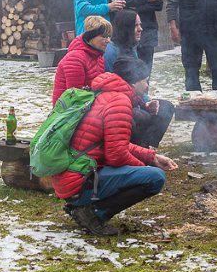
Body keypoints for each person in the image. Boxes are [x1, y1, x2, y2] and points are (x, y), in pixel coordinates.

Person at [54, 56, 179, 236]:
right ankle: (94, 213)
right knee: (154, 178)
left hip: (70, 176)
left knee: (148, 172)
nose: (147, 86)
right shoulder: (119, 102)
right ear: (134, 82)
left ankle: (81, 206)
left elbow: (113, 144)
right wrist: (143, 169)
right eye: (145, 81)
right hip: (80, 180)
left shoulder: (103, 93)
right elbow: (116, 155)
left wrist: (151, 156)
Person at [104, 9, 175, 148]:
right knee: (140, 116)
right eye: (136, 26)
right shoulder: (110, 53)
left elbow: (138, 79)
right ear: (126, 28)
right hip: (118, 105)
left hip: (135, 100)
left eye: (140, 25)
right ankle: (137, 150)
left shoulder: (131, 48)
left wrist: (147, 102)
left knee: (166, 107)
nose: (140, 29)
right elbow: (108, 86)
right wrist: (138, 104)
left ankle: (146, 148)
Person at [52, 15, 110, 105]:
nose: (108, 40)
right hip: (68, 114)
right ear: (92, 37)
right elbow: (76, 98)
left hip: (88, 106)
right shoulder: (75, 60)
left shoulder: (98, 56)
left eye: (109, 36)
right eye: (104, 37)